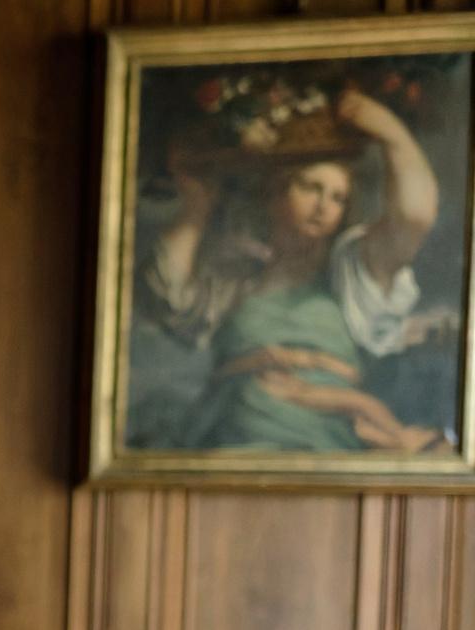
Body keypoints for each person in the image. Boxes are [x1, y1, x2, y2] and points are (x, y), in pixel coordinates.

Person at [142, 86, 447, 452]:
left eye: (338, 198)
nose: (323, 206)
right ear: (275, 193)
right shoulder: (237, 276)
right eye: (310, 187)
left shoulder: (350, 274)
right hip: (238, 423)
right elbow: (167, 295)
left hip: (326, 428)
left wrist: (390, 131)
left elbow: (414, 217)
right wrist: (197, 205)